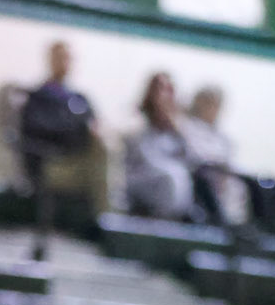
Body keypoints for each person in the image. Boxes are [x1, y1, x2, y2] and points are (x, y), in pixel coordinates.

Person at [178, 88, 275, 238]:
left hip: (228, 178)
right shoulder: (188, 127)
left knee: (269, 183)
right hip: (210, 181)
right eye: (211, 104)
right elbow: (200, 158)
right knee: (256, 186)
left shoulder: (217, 134)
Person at [17, 41, 108, 218]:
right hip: (53, 164)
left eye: (69, 58)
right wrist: (80, 129)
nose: (65, 62)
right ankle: (104, 221)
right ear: (50, 60)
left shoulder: (80, 99)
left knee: (106, 148)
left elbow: (96, 124)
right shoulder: (39, 98)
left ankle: (106, 219)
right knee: (102, 170)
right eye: (61, 57)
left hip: (84, 162)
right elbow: (41, 131)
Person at [124, 73, 213, 223]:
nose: (164, 96)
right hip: (139, 176)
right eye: (159, 89)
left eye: (169, 90)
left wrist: (176, 128)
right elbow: (139, 154)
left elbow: (199, 159)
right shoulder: (136, 120)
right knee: (172, 177)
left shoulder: (182, 126)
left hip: (176, 188)